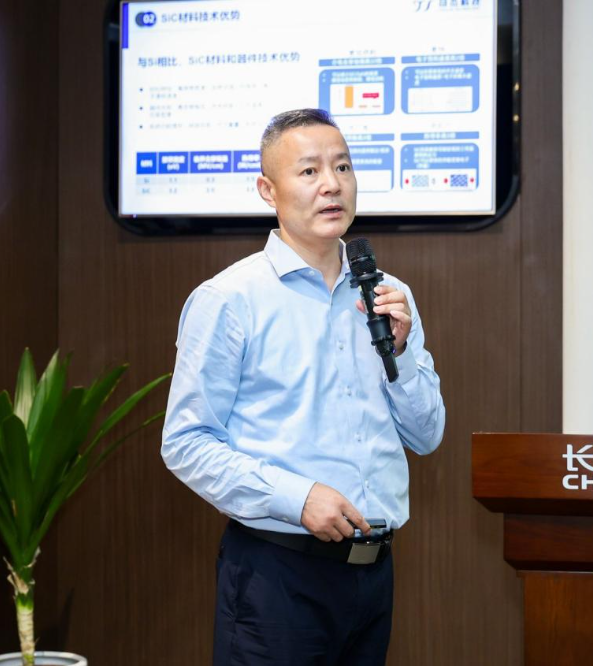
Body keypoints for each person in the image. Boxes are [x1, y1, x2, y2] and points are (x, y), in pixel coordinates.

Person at [161, 108, 445, 665]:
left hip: (373, 576)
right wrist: (298, 498)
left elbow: (427, 435)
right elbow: (186, 443)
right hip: (277, 577)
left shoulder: (388, 295)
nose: (332, 184)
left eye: (343, 167)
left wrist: (403, 353)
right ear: (268, 190)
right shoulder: (230, 300)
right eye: (310, 171)